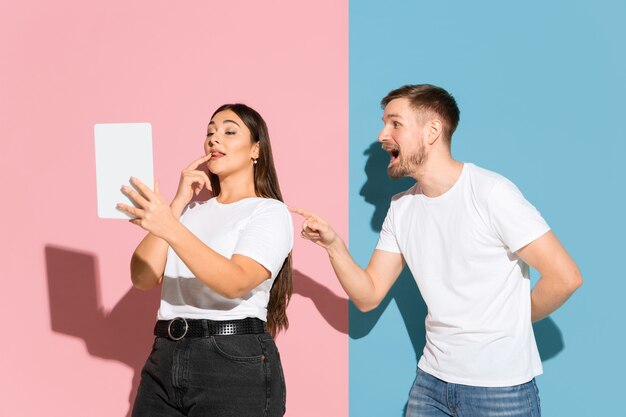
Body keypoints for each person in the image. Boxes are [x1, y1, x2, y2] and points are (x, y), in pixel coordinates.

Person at [291, 84, 582, 417]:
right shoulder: (401, 208)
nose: (382, 134)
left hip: (500, 389)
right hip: (431, 384)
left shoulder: (490, 193)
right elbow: (368, 295)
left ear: (432, 131)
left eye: (395, 124)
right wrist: (333, 247)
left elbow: (566, 277)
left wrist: (510, 319)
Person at [117, 103, 293, 417]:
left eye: (228, 131)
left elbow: (236, 281)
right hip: (165, 355)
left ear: (256, 150)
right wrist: (177, 203)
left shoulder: (269, 212)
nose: (214, 139)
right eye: (210, 132)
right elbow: (142, 277)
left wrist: (169, 225)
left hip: (232, 358)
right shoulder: (186, 214)